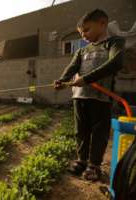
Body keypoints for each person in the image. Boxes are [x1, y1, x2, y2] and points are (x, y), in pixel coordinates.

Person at [54, 9, 125, 181]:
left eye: (87, 30)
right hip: (79, 96)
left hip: (101, 98)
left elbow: (115, 63)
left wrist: (87, 78)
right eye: (81, 32)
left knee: (99, 133)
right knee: (81, 131)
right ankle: (81, 161)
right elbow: (72, 68)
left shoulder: (114, 43)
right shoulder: (82, 51)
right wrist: (62, 80)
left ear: (102, 24)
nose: (84, 35)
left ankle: (94, 166)